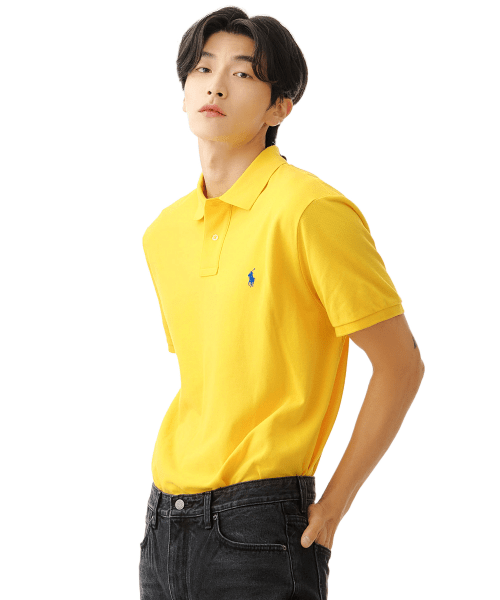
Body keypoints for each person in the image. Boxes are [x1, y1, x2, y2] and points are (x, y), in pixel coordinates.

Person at [139, 6, 425, 599]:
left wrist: (335, 504)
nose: (216, 85)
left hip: (260, 521)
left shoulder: (310, 211)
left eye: (243, 73)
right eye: (202, 68)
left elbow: (401, 365)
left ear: (280, 108)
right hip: (164, 520)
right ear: (184, 91)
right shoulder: (163, 233)